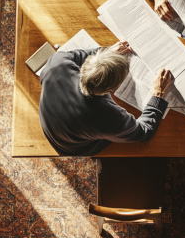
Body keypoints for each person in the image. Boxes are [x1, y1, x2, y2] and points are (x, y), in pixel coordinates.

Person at [39, 41, 172, 156]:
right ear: (113, 89)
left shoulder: (56, 62)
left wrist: (105, 53)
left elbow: (79, 56)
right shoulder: (108, 118)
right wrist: (157, 94)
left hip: (52, 125)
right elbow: (144, 131)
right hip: (72, 147)